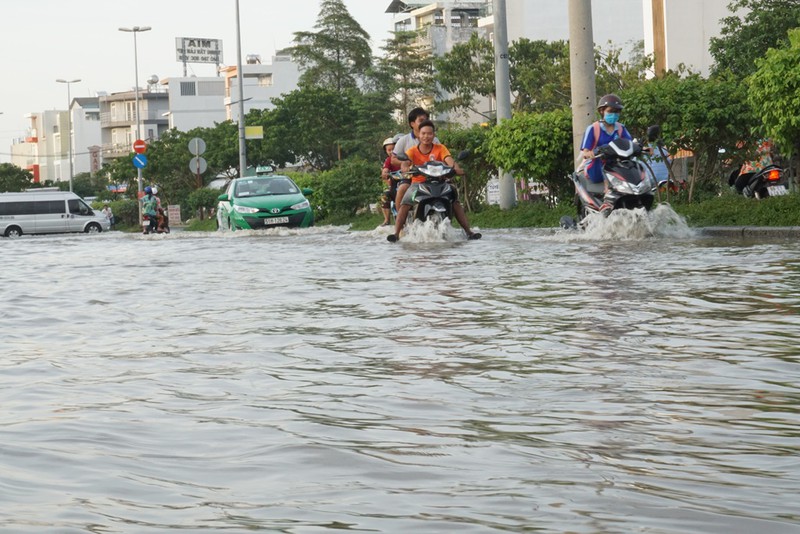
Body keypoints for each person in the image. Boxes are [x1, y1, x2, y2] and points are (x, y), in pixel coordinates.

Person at [387, 120, 480, 242]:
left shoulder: (440, 148)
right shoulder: (413, 150)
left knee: (454, 200)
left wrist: (456, 169)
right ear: (418, 135)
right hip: (418, 184)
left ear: (434, 135)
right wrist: (406, 168)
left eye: (429, 134)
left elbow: (449, 160)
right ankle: (396, 233)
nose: (426, 136)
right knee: (405, 203)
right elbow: (405, 162)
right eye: (423, 133)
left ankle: (469, 232)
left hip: (440, 182)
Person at [580, 94, 633, 212]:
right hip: (596, 166)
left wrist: (643, 148)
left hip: (617, 166)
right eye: (611, 111)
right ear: (602, 111)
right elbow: (586, 151)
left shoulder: (620, 128)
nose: (614, 114)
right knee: (601, 161)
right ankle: (606, 199)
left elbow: (630, 143)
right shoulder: (593, 128)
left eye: (617, 112)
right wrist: (589, 153)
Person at [391, 107, 440, 212]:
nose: (424, 123)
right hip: (412, 175)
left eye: (426, 120)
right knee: (402, 188)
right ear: (412, 123)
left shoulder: (435, 140)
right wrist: (406, 164)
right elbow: (393, 159)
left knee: (449, 189)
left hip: (432, 175)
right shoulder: (404, 140)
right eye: (421, 121)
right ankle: (400, 219)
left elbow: (443, 157)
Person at [380, 137, 401, 226]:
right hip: (394, 187)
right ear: (386, 151)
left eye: (394, 149)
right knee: (385, 196)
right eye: (389, 150)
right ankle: (387, 220)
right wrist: (385, 173)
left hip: (409, 185)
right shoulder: (388, 160)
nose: (392, 151)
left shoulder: (406, 157)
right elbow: (385, 170)